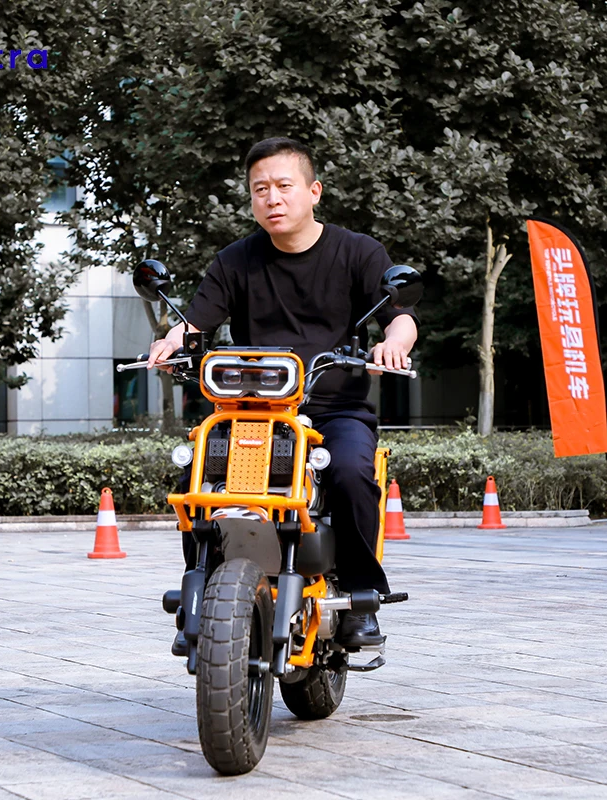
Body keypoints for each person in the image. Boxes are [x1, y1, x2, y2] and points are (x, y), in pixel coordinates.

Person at [148, 137, 418, 650]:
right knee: (196, 480)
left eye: (283, 186)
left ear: (314, 191)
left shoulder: (359, 251)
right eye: (260, 189)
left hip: (334, 408)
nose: (272, 198)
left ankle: (359, 595)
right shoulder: (235, 261)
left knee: (351, 473)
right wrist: (171, 340)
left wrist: (394, 343)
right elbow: (196, 321)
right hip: (252, 411)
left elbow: (400, 316)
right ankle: (200, 595)